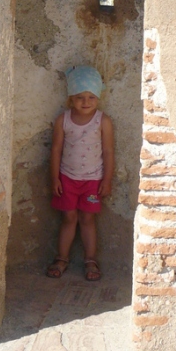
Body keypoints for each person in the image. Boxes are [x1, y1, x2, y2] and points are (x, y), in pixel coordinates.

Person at [46, 65, 114, 282]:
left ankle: (90, 259)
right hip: (67, 179)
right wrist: (54, 177)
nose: (86, 102)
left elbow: (108, 151)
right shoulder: (63, 120)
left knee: (87, 219)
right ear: (70, 99)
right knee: (68, 218)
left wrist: (107, 180)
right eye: (80, 97)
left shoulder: (103, 121)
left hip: (92, 181)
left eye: (91, 97)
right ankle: (62, 258)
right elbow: (55, 149)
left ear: (98, 97)